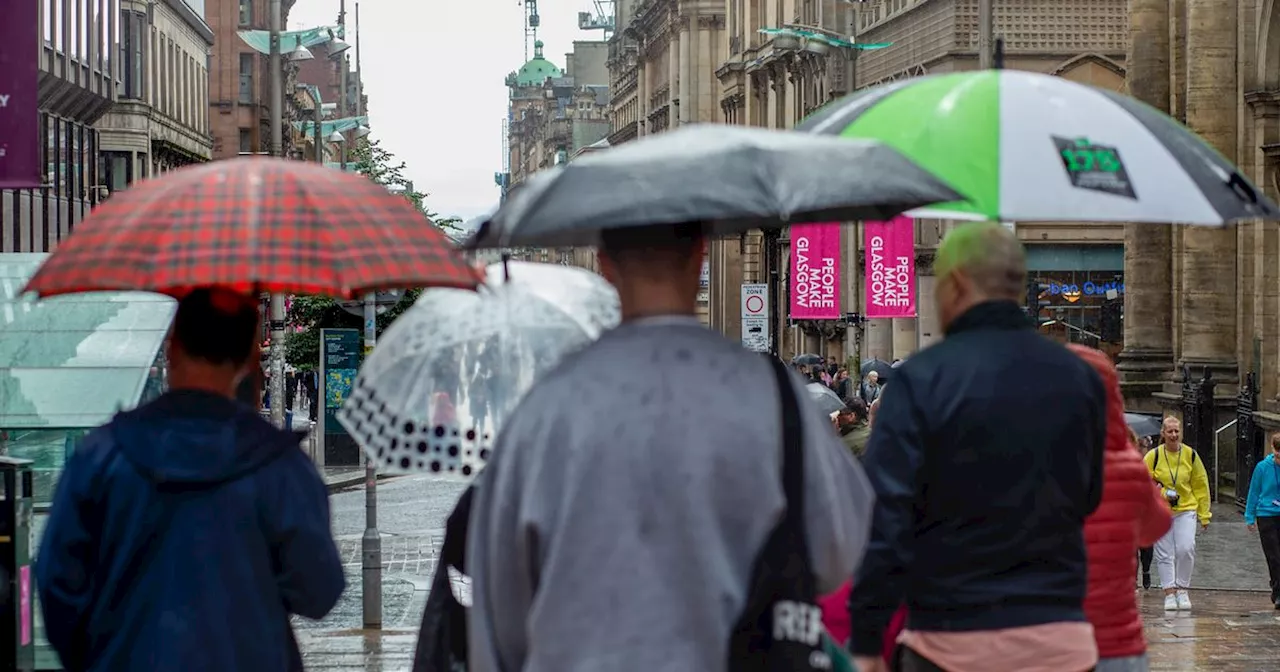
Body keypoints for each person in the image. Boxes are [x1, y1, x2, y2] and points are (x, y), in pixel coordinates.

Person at [466, 223, 875, 671]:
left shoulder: (545, 405)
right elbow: (840, 548)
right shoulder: (776, 395)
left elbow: (498, 607)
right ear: (701, 253)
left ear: (604, 264)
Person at [36, 288, 345, 672]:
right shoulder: (281, 467)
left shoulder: (101, 456)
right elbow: (319, 591)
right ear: (250, 359)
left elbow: (57, 587)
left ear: (172, 347)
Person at [847, 222, 1106, 672]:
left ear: (958, 285)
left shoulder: (920, 381)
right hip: (1058, 639)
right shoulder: (1079, 378)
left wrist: (868, 639)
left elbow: (886, 519)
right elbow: (1089, 496)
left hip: (951, 640)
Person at [1068, 344, 1172, 672]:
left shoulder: (1034, 462)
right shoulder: (1129, 464)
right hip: (1118, 641)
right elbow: (1156, 528)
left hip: (1055, 636)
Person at [1143, 416, 1211, 611]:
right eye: (1169, 431)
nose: (1173, 435)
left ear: (1181, 433)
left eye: (1176, 431)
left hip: (1186, 509)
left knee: (1186, 548)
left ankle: (1182, 589)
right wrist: (1162, 492)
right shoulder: (1153, 456)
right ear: (1163, 434)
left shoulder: (1191, 455)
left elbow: (1200, 484)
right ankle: (1169, 592)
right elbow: (1142, 481)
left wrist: (1204, 513)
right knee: (1164, 553)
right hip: (1160, 510)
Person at [1244, 432, 1280, 610]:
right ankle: (1278, 590)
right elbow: (1254, 491)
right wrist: (1249, 516)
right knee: (1273, 555)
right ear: (1273, 449)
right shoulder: (1262, 467)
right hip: (1266, 514)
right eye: (1278, 451)